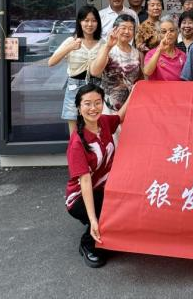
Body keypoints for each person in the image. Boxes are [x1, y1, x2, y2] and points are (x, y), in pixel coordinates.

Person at [65, 83, 129, 268]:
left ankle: (104, 227)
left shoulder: (104, 123)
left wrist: (137, 90)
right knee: (108, 220)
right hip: (80, 198)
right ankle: (88, 243)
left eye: (97, 102)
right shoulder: (77, 143)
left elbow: (120, 116)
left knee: (125, 211)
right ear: (79, 108)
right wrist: (93, 219)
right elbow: (85, 182)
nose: (93, 108)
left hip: (104, 189)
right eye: (87, 104)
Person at [48, 5, 104, 134]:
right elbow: (51, 62)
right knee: (74, 132)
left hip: (96, 87)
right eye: (86, 20)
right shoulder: (71, 40)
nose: (90, 24)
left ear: (98, 23)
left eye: (94, 20)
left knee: (94, 129)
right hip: (74, 87)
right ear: (80, 22)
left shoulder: (103, 43)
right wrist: (70, 47)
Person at [90, 14, 143, 112]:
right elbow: (94, 72)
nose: (127, 31)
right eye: (123, 28)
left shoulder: (137, 53)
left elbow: (140, 79)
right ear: (115, 29)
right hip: (108, 106)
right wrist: (108, 46)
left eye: (131, 29)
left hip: (130, 105)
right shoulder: (107, 49)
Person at [143, 15, 187, 81]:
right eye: (164, 32)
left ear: (177, 33)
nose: (168, 34)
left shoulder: (182, 55)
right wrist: (159, 50)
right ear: (159, 35)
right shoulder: (151, 53)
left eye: (171, 30)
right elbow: (147, 72)